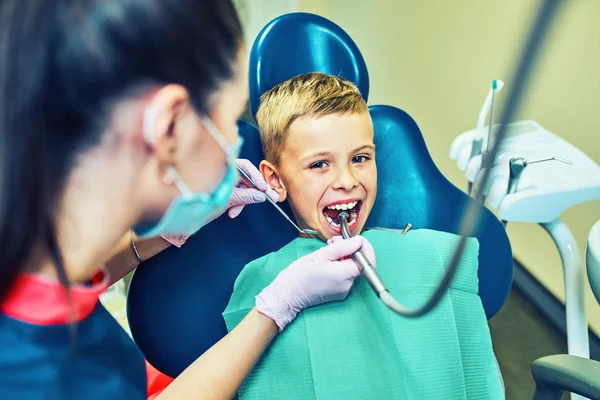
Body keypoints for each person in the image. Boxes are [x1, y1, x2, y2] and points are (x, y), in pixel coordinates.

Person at [0, 2, 376, 399]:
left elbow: (52, 297)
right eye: (231, 121)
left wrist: (161, 234)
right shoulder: (30, 376)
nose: (235, 144)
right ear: (168, 127)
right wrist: (273, 309)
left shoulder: (37, 273)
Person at [223, 73, 505, 399]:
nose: (347, 180)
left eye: (360, 158)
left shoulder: (437, 257)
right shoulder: (264, 286)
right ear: (274, 180)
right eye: (319, 164)